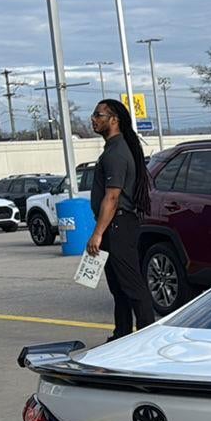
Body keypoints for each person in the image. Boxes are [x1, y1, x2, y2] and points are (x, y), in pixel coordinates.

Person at [86, 99, 154, 340]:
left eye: (98, 115)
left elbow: (113, 197)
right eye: (94, 115)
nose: (93, 119)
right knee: (119, 288)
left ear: (114, 119)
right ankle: (122, 335)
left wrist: (98, 233)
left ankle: (147, 337)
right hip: (115, 225)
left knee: (132, 286)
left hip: (118, 226)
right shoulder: (112, 149)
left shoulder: (117, 152)